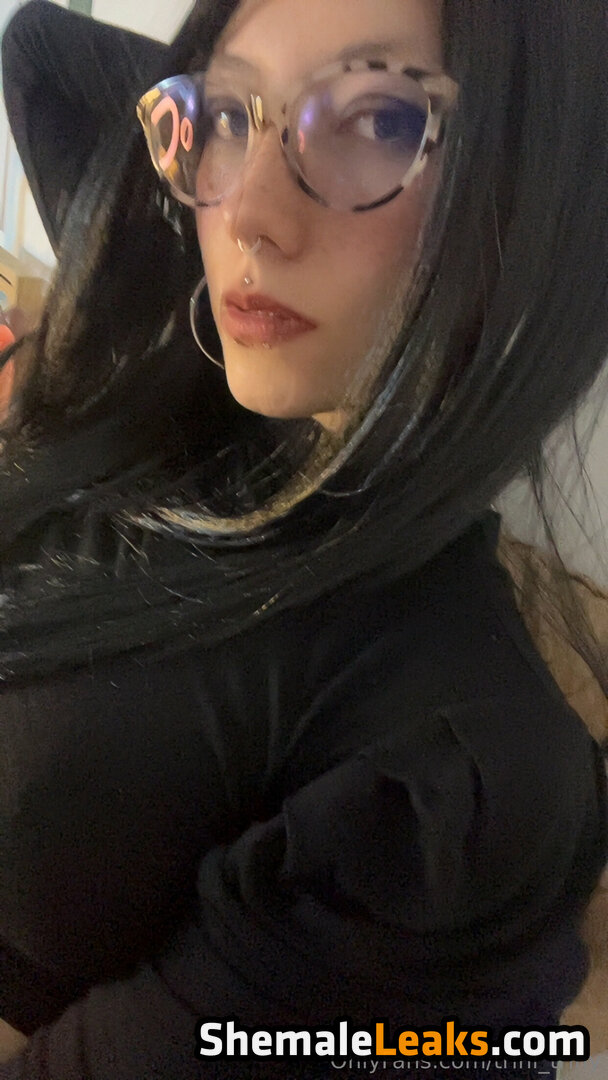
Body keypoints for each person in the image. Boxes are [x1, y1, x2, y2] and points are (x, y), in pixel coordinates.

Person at [0, 0, 606, 1077]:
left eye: (380, 121)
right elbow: (41, 47)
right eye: (228, 118)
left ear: (539, 192)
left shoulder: (454, 779)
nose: (247, 215)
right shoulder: (196, 394)